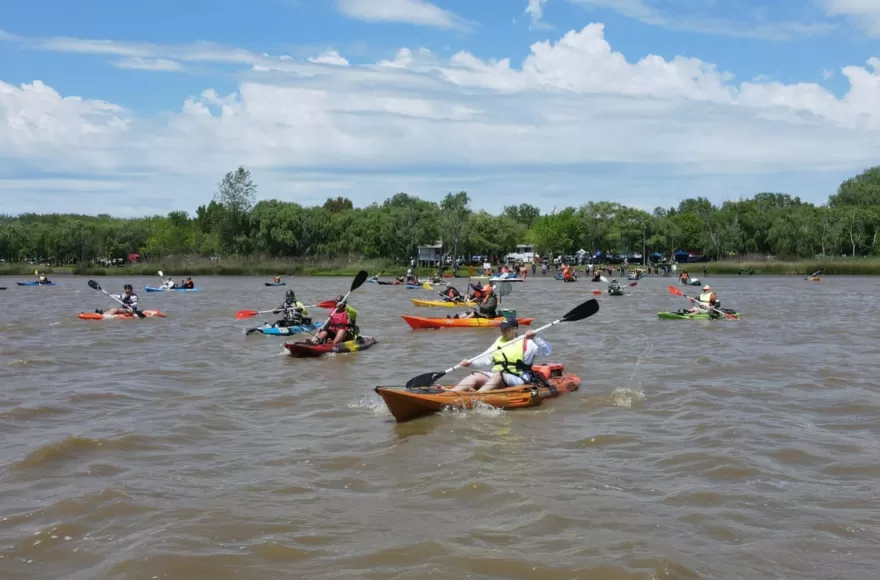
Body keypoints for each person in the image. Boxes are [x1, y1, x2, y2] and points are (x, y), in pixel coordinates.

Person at [443, 318, 551, 392]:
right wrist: (470, 363)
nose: (503, 332)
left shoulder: (528, 341)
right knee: (475, 375)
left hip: (519, 378)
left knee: (498, 375)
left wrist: (536, 337)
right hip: (499, 377)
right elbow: (485, 357)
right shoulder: (499, 341)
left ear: (515, 329)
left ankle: (477, 395)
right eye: (501, 329)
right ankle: (452, 392)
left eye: (506, 329)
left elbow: (546, 351)